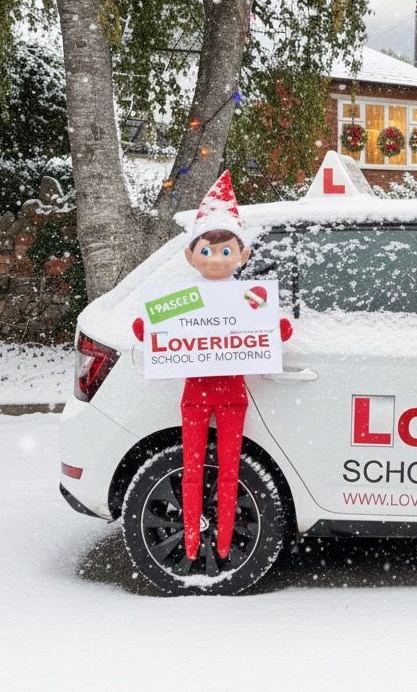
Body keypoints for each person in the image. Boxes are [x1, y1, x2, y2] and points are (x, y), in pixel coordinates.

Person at [132, 171, 292, 560]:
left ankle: (223, 540)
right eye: (206, 252)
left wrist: (276, 330)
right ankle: (190, 538)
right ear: (191, 256)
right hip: (195, 395)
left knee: (229, 470)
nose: (216, 259)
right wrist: (148, 330)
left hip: (233, 395)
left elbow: (267, 328)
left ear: (242, 255)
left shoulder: (247, 297)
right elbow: (156, 327)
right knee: (193, 468)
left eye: (224, 251)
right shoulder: (188, 299)